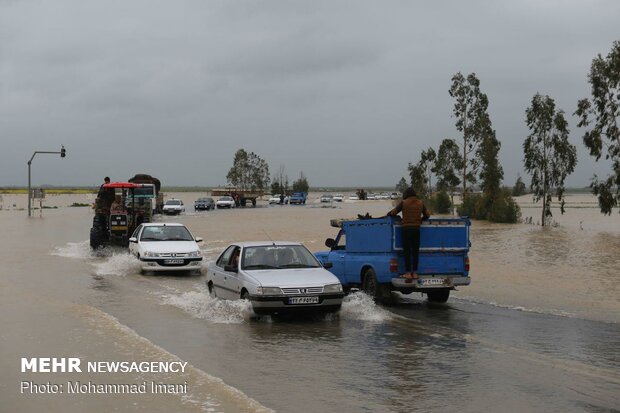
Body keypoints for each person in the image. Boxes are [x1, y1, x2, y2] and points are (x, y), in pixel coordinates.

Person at [387, 187, 430, 279]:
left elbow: (394, 212)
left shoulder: (404, 203)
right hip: (416, 230)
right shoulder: (420, 203)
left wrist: (389, 214)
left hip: (406, 230)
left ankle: (407, 273)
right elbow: (427, 215)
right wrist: (421, 220)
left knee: (407, 251)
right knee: (415, 252)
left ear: (406, 194)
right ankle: (414, 273)